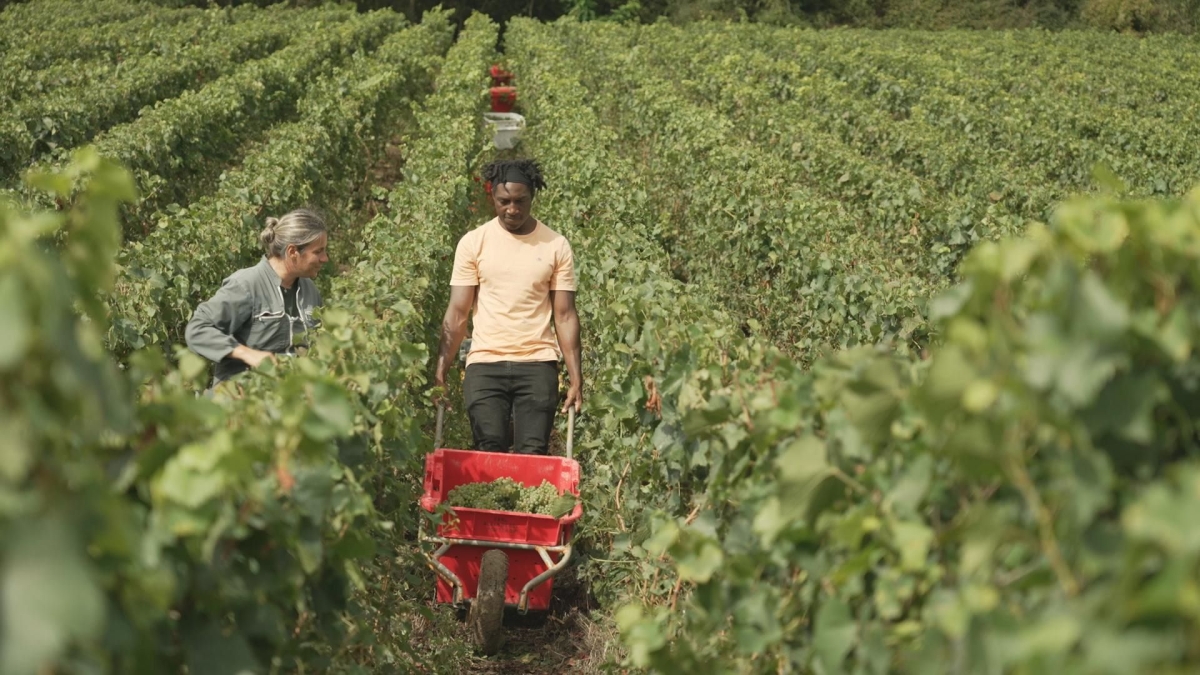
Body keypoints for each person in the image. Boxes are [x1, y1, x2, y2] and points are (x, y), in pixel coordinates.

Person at [435, 158, 582, 455]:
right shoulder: (474, 243)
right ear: (492, 196)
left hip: (538, 362)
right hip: (485, 361)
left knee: (533, 451)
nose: (512, 209)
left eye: (520, 201)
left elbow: (565, 316)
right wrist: (441, 370)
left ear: (533, 198)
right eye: (504, 201)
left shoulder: (555, 245)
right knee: (488, 449)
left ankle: (527, 503)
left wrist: (576, 376)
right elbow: (458, 312)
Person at [185, 208, 329, 388]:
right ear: (293, 252)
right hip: (240, 402)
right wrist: (247, 354)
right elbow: (197, 329)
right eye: (318, 252)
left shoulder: (310, 291)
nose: (325, 258)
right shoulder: (246, 285)